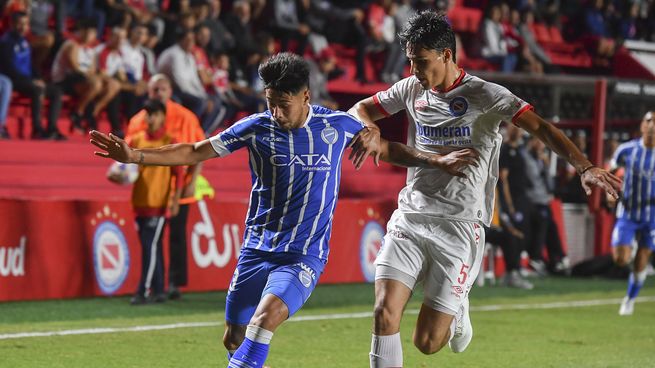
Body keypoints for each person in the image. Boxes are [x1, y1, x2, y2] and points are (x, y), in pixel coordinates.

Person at [90, 52, 478, 367]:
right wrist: (136, 155)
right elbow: (194, 150)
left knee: (263, 323)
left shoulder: (337, 126)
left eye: (284, 104)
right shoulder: (255, 127)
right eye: (271, 103)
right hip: (256, 250)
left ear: (306, 97)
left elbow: (387, 149)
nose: (276, 112)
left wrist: (436, 160)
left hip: (303, 255)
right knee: (234, 336)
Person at [347, 11, 622, 366]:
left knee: (428, 343)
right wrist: (368, 128)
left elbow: (542, 129)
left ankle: (458, 307)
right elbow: (360, 108)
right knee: (384, 313)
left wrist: (584, 166)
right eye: (411, 61)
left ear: (446, 55)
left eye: (422, 62)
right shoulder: (412, 89)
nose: (415, 70)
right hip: (412, 216)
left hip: (461, 225)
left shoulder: (484, 95)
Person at [127, 74, 206, 300]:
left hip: (179, 185)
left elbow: (199, 151)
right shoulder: (138, 121)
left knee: (177, 234)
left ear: (170, 91)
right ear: (148, 92)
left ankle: (174, 282)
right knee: (154, 239)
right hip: (152, 189)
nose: (158, 93)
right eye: (154, 90)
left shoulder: (185, 117)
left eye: (162, 89)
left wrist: (192, 182)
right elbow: (128, 154)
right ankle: (159, 283)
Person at [122, 98, 184, 305]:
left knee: (150, 247)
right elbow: (120, 167)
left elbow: (179, 173)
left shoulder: (169, 140)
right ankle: (159, 289)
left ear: (162, 117)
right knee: (153, 246)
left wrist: (175, 199)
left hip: (159, 204)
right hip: (139, 201)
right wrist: (117, 174)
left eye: (154, 114)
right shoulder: (136, 139)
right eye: (147, 114)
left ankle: (143, 290)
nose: (149, 118)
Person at [609, 111, 655, 316]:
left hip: (652, 218)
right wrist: (609, 192)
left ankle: (630, 298)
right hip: (627, 213)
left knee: (641, 260)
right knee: (620, 259)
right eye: (649, 121)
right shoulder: (626, 150)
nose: (652, 125)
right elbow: (610, 170)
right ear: (642, 126)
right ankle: (632, 246)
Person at [0, 11, 64, 140]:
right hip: (15, 80)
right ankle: (37, 129)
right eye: (20, 24)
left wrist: (38, 78)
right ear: (12, 24)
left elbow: (30, 66)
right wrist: (32, 81)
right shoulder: (6, 42)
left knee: (56, 91)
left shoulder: (25, 41)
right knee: (37, 89)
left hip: (27, 79)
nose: (23, 27)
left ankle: (52, 128)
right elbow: (9, 69)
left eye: (26, 24)